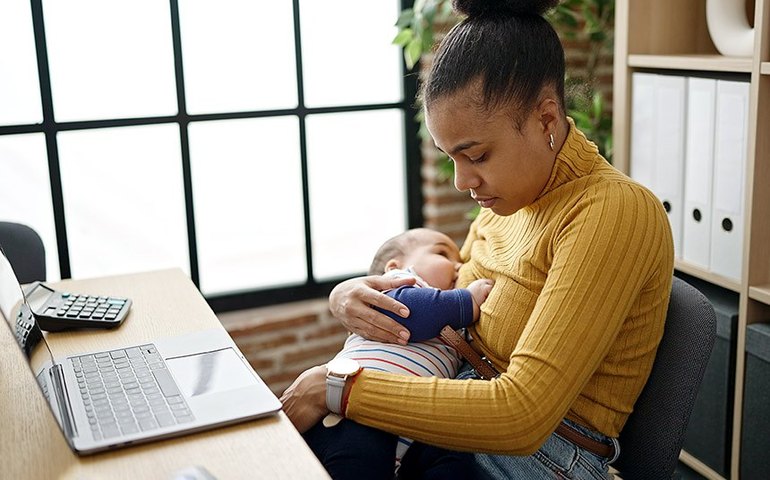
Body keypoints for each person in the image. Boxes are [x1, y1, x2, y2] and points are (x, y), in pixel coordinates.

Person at [280, 0, 675, 478]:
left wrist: (339, 386)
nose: (460, 180)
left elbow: (521, 417)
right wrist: (348, 295)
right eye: (451, 158)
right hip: (457, 400)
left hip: (540, 453)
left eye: (478, 156)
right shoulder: (510, 198)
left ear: (546, 121)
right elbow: (450, 291)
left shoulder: (613, 211)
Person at [304, 227, 494, 479]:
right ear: (395, 267)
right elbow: (413, 313)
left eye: (459, 261)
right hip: (355, 416)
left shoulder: (453, 322)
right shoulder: (392, 292)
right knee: (360, 462)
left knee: (456, 459)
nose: (458, 267)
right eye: (442, 253)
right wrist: (466, 301)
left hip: (411, 423)